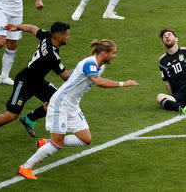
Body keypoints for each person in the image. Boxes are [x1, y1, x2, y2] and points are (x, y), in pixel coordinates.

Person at [18, 39, 139, 180]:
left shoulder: (98, 65)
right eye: (113, 53)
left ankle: (45, 143)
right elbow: (98, 82)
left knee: (85, 140)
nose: (115, 56)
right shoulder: (90, 63)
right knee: (57, 143)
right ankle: (26, 167)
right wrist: (124, 83)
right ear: (104, 53)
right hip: (61, 104)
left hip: (73, 105)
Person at [0, 22, 71, 146]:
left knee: (59, 99)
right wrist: (83, 68)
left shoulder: (47, 36)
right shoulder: (52, 56)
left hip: (37, 81)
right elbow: (65, 76)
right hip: (25, 82)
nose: (68, 37)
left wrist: (18, 26)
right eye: (67, 35)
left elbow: (32, 28)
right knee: (11, 115)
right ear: (60, 37)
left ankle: (29, 119)